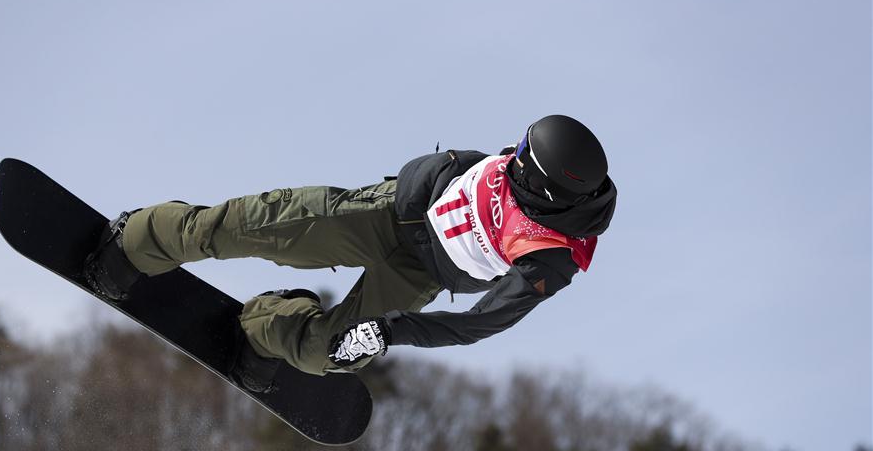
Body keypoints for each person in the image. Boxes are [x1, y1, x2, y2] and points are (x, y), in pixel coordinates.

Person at [84, 115, 617, 392]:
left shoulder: (550, 258)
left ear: (545, 190)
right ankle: (135, 241)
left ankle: (269, 324)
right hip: (388, 213)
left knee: (330, 356)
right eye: (521, 144)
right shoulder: (537, 169)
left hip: (417, 275)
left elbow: (478, 325)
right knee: (251, 227)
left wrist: (390, 330)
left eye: (524, 157)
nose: (514, 154)